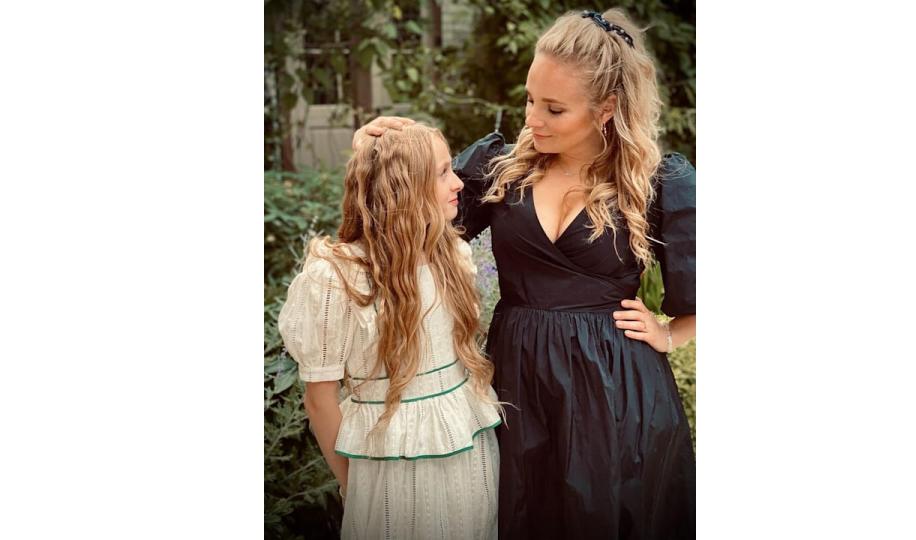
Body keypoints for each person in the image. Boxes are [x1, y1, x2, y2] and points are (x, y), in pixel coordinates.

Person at [360, 8, 696, 539]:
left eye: (554, 108)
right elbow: (410, 231)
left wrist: (673, 332)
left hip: (617, 394)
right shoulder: (501, 167)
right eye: (529, 99)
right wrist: (382, 155)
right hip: (519, 381)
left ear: (606, 108)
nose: (532, 119)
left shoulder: (655, 182)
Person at [278, 123, 503, 539]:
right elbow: (319, 400)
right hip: (388, 473)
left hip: (469, 459)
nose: (457, 182)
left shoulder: (451, 254)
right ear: (404, 188)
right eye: (441, 172)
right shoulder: (337, 277)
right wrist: (357, 485)